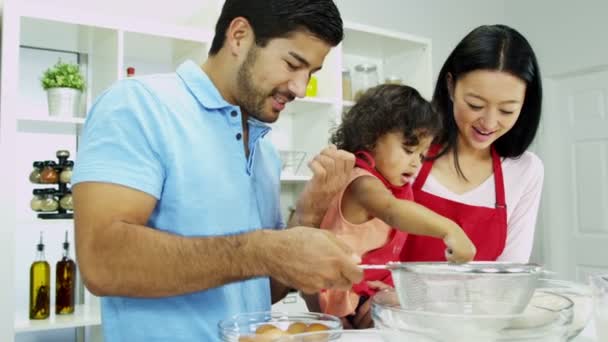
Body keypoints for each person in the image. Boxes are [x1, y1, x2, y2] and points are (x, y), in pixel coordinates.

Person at [71, 1, 363, 341]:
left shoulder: (264, 150)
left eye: (311, 74)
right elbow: (101, 261)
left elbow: (258, 288)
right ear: (239, 36)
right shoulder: (138, 105)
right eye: (292, 64)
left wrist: (308, 215)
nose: (300, 87)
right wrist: (265, 250)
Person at [347, 24, 545, 329]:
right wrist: (372, 297)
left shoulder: (526, 170)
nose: (489, 122)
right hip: (393, 328)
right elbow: (355, 238)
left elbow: (509, 282)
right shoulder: (408, 154)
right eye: (475, 105)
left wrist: (416, 299)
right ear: (451, 86)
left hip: (472, 330)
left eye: (507, 110)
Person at [305, 84, 476, 322]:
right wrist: (451, 229)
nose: (416, 163)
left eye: (422, 155)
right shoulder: (362, 183)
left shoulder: (391, 184)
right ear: (370, 139)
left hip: (362, 288)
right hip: (338, 294)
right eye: (408, 150)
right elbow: (392, 211)